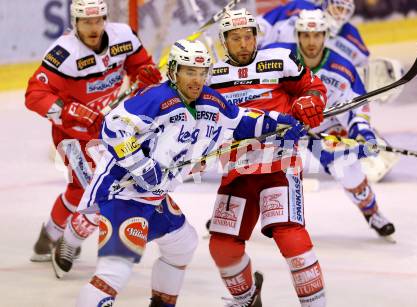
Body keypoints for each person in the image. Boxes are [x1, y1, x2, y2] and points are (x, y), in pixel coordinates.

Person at [74, 38, 307, 306]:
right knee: (113, 273)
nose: (196, 80)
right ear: (173, 71)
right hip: (123, 193)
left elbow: (241, 120)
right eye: (189, 71)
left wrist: (282, 122)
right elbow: (113, 128)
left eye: (201, 72)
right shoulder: (156, 98)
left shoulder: (209, 101)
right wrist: (141, 165)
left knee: (182, 244)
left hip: (153, 198)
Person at [25, 0, 162, 264]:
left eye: (98, 20)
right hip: (72, 136)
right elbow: (35, 95)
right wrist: (71, 111)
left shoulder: (123, 36)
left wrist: (145, 74)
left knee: (90, 188)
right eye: (87, 21)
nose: (94, 27)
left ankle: (50, 237)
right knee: (88, 188)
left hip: (109, 128)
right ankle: (58, 236)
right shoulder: (63, 53)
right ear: (75, 23)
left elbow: (141, 67)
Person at [206, 9, 327, 307]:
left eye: (249, 36)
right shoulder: (212, 76)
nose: (244, 43)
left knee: (291, 238)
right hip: (237, 171)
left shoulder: (280, 60)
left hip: (278, 162)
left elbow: (313, 87)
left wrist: (310, 100)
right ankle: (247, 299)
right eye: (236, 38)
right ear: (224, 41)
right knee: (222, 247)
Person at [263, 9, 395, 238]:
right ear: (298, 35)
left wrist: (361, 131)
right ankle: (229, 214)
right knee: (256, 167)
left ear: (325, 35)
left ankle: (372, 212)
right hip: (284, 126)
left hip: (324, 127)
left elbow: (357, 107)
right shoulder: (277, 58)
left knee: (347, 168)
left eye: (316, 35)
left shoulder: (342, 69)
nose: (311, 41)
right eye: (305, 35)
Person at [257, 0, 402, 183]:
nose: (340, 13)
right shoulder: (296, 11)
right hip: (279, 91)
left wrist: (361, 126)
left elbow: (356, 82)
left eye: (345, 9)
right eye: (337, 7)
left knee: (347, 156)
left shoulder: (351, 40)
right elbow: (260, 29)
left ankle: (351, 137)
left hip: (320, 102)